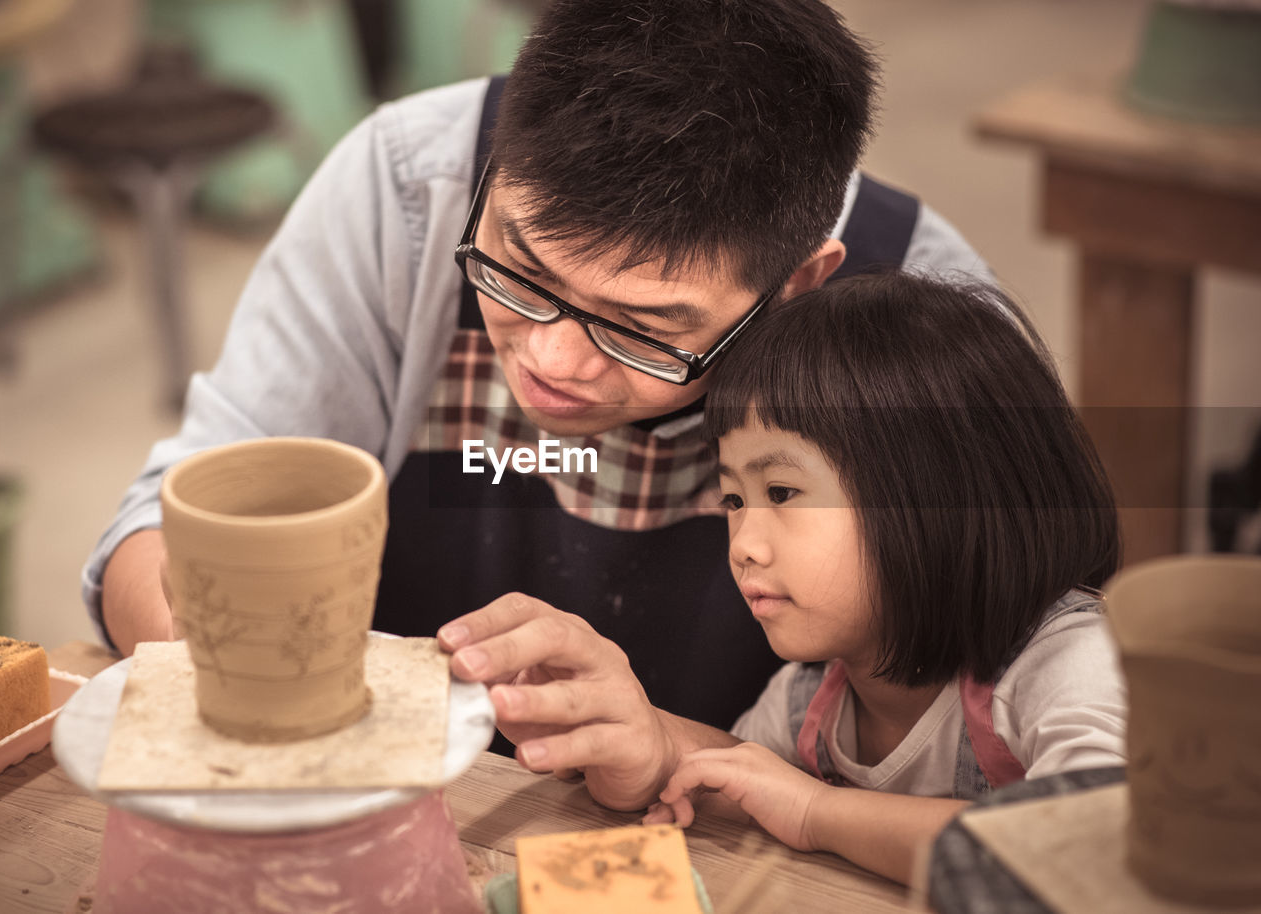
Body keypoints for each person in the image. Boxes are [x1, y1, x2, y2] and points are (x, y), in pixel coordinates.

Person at [84, 1, 991, 750]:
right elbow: (161, 525)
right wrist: (221, 639)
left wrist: (670, 745)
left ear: (799, 284)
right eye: (522, 271)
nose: (554, 362)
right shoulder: (406, 184)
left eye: (644, 328)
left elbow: (975, 742)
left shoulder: (927, 318)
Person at [441, 272, 1126, 884]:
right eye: (735, 501)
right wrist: (647, 761)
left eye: (784, 494)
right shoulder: (808, 701)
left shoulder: (1064, 665)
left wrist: (823, 812)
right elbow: (745, 793)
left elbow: (1100, 846)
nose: (745, 546)